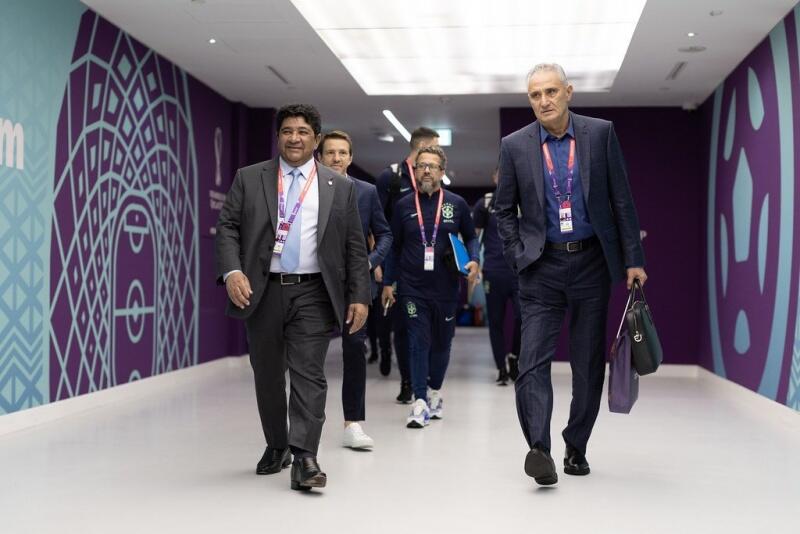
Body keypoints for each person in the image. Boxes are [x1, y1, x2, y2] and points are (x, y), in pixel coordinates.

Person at [495, 64, 647, 486]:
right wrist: (517, 253)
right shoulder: (515, 145)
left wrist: (633, 257)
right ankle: (539, 448)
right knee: (531, 362)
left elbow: (622, 200)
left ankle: (575, 444)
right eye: (534, 95)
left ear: (568, 92)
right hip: (540, 268)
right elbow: (503, 209)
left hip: (591, 265)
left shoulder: (599, 134)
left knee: (587, 364)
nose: (543, 100)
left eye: (550, 92)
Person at [215, 104, 370, 491]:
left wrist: (359, 296)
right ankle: (277, 444)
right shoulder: (250, 178)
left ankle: (305, 457)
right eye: (287, 131)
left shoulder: (339, 186)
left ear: (316, 139)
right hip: (263, 291)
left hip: (314, 292)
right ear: (278, 136)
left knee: (309, 374)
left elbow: (354, 247)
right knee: (268, 375)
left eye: (303, 131)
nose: (295, 137)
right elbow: (228, 227)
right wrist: (233, 271)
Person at [381, 146, 480, 428]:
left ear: (441, 172)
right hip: (412, 287)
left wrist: (473, 260)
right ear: (414, 171)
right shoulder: (402, 206)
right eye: (421, 165)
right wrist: (389, 282)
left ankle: (435, 390)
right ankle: (420, 401)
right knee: (417, 342)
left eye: (432, 166)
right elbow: (394, 248)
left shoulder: (456, 204)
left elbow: (472, 238)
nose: (426, 170)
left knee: (442, 343)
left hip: (446, 287)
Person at [318, 129, 392, 450]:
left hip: (355, 285)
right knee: (311, 354)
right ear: (319, 156)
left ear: (351, 157)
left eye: (342, 152)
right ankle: (308, 424)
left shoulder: (366, 192)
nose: (336, 158)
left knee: (354, 351)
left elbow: (385, 234)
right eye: (330, 152)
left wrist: (367, 261)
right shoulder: (309, 191)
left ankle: (353, 423)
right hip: (317, 282)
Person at [375, 127, 440, 403]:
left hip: (429, 264)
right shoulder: (391, 177)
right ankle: (407, 380)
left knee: (428, 323)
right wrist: (377, 260)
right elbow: (372, 221)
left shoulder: (434, 176)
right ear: (422, 146)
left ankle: (422, 375)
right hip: (397, 260)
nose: (439, 154)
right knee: (402, 326)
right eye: (436, 147)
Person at [473, 168, 521, 386]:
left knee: (524, 318)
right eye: (500, 175)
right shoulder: (485, 203)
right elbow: (474, 237)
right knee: (496, 322)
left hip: (520, 272)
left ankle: (514, 357)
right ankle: (501, 368)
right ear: (494, 178)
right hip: (493, 271)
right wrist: (473, 263)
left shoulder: (525, 200)